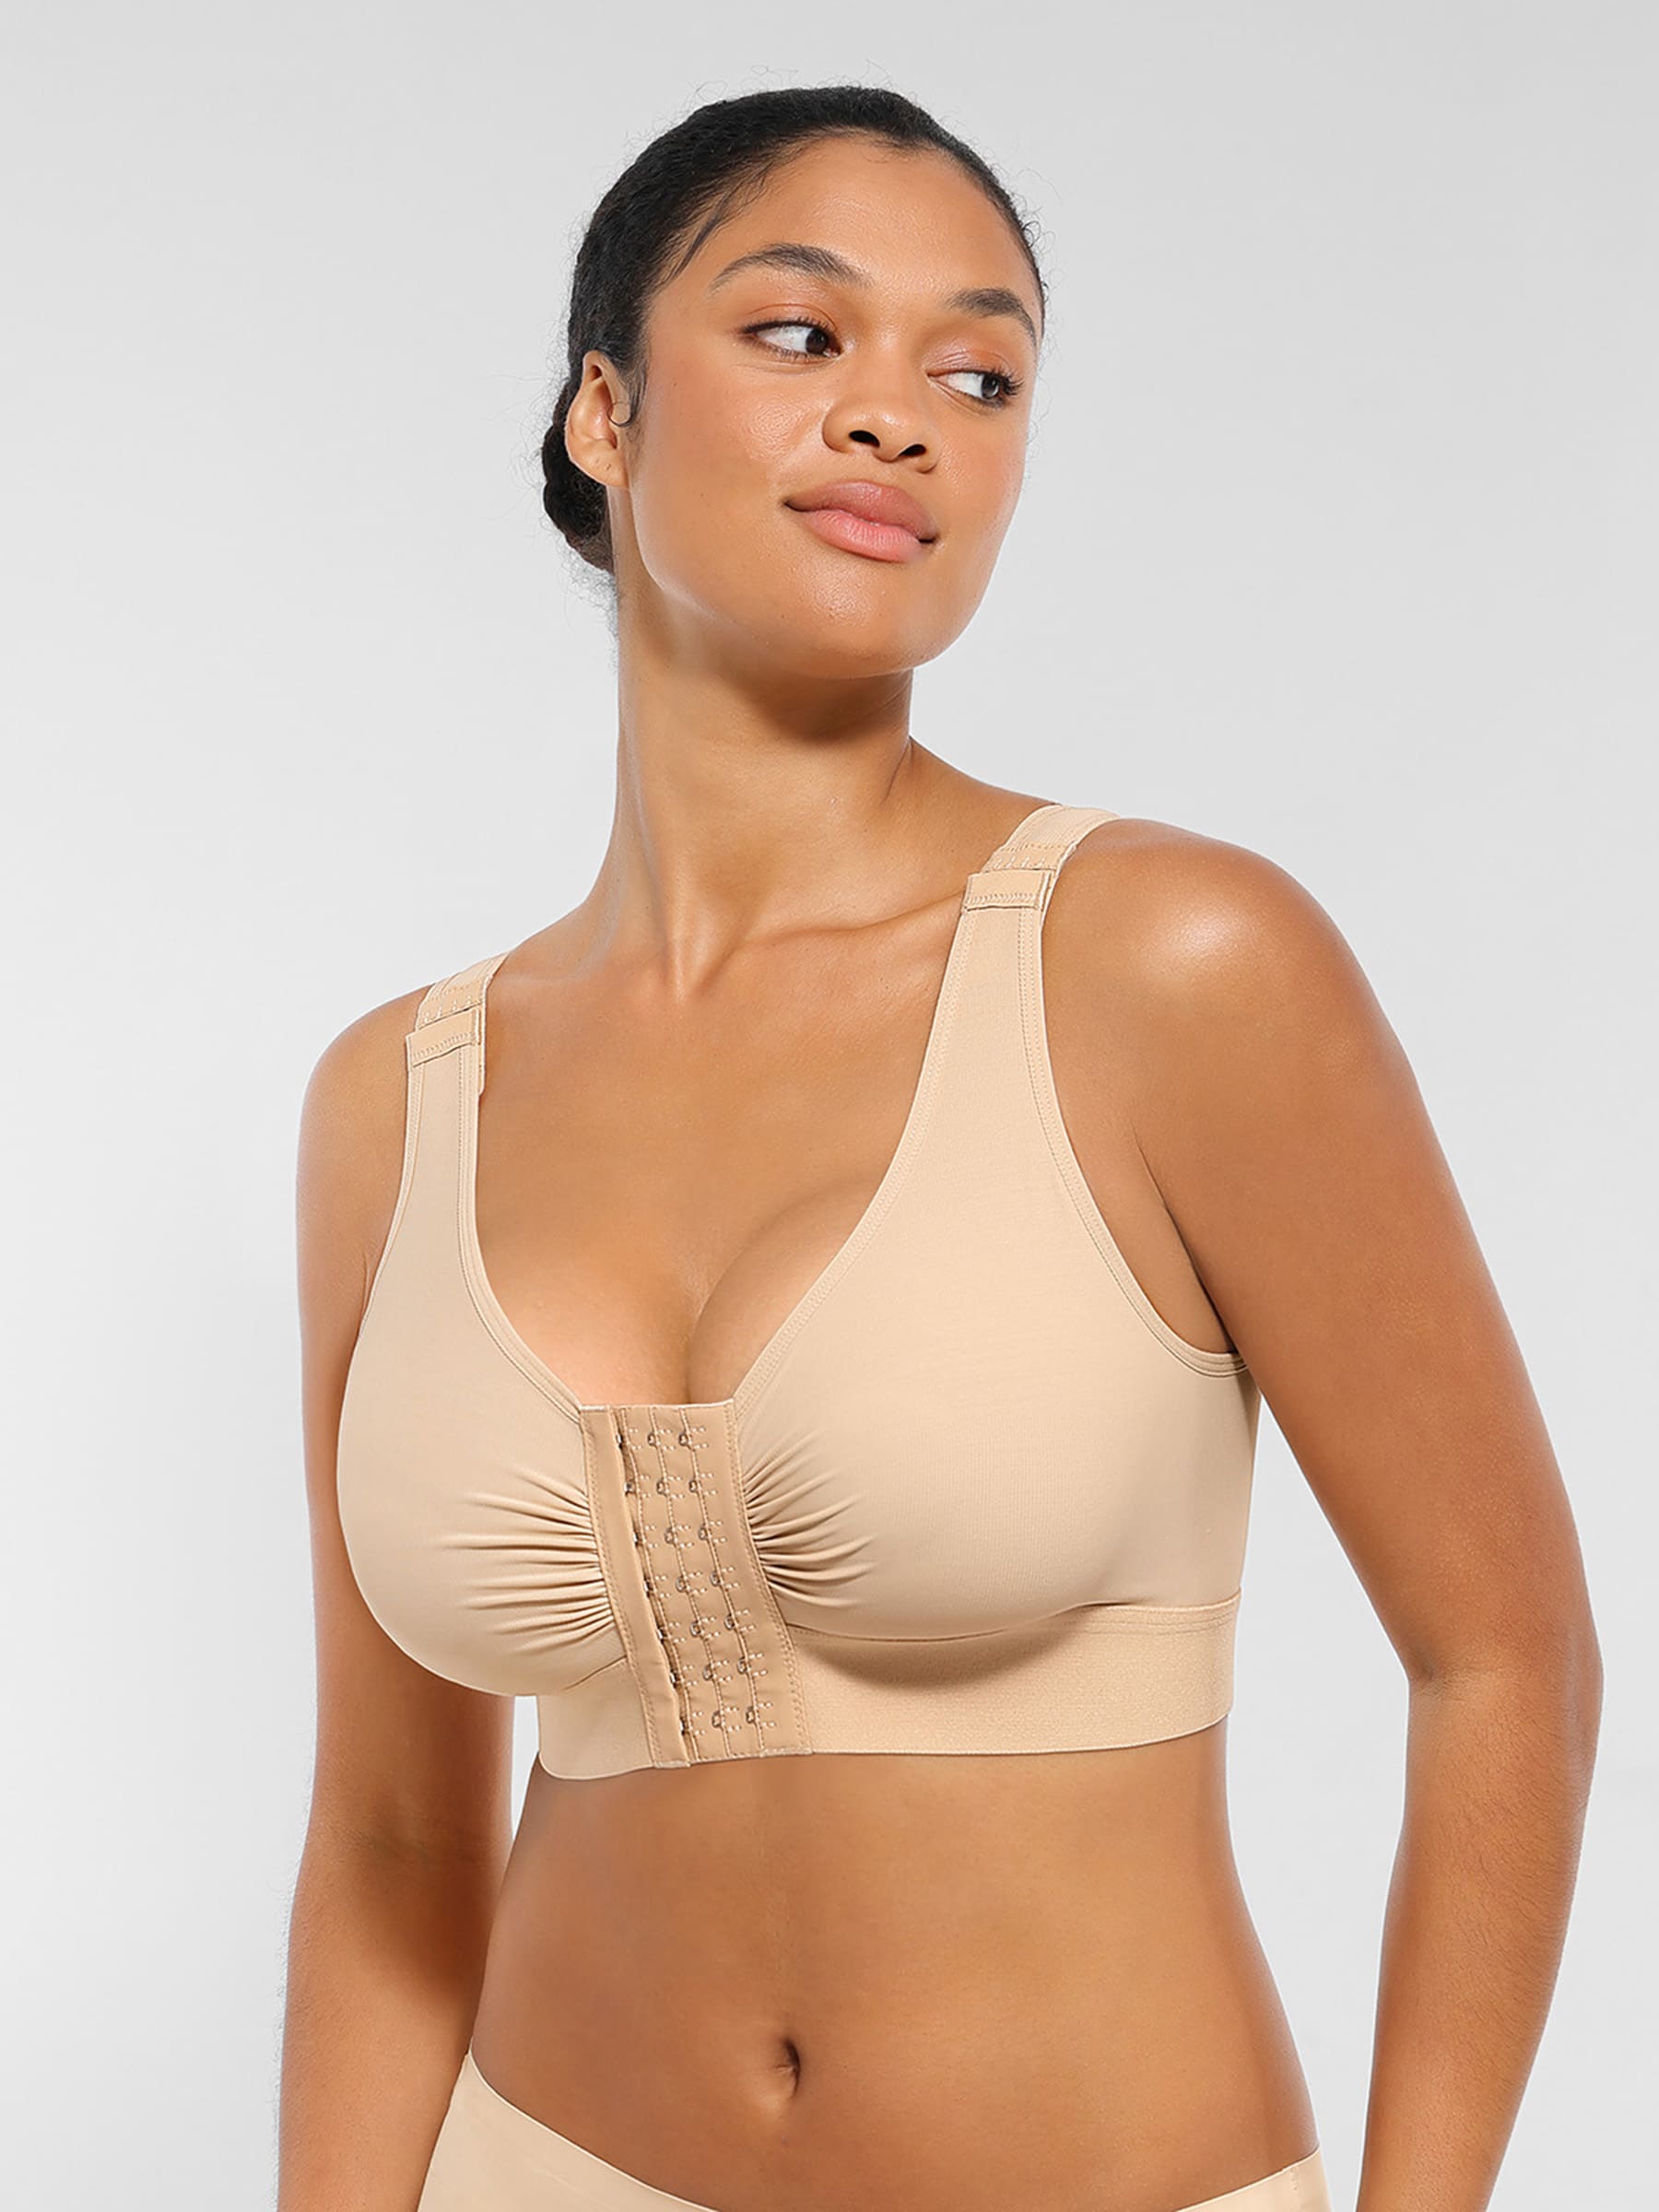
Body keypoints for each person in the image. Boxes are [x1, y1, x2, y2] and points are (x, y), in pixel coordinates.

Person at [278, 83, 1601, 2212]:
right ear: (603, 413)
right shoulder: (397, 1100)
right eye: (801, 334)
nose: (898, 417)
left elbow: (1504, 1665)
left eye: (979, 378)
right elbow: (392, 1840)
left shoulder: (1174, 964)